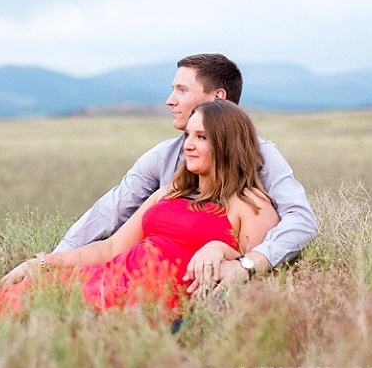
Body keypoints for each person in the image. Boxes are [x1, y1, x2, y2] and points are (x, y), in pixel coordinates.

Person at [0, 100, 280, 318]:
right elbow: (110, 248)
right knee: (13, 299)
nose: (189, 146)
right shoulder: (170, 192)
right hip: (111, 276)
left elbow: (257, 266)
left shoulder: (250, 205)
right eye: (187, 136)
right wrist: (46, 262)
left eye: (202, 138)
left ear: (228, 144)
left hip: (147, 300)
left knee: (33, 312)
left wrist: (222, 248)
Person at [27, 53, 317, 292]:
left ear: (218, 98)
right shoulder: (164, 157)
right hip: (126, 276)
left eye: (182, 90)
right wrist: (48, 262)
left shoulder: (261, 162)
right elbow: (111, 212)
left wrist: (245, 262)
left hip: (166, 291)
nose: (170, 100)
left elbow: (300, 221)